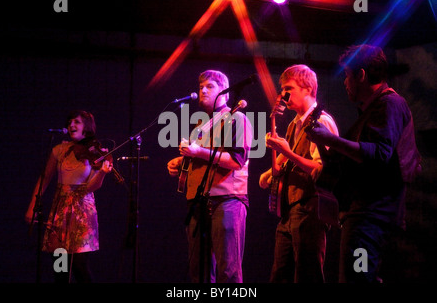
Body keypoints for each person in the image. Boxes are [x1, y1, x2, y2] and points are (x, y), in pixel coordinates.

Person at [306, 44, 421, 283]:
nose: (345, 82)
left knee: (356, 279)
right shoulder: (372, 112)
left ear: (361, 75)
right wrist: (320, 142)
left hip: (371, 218)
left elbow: (379, 154)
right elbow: (338, 165)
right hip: (364, 217)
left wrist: (331, 139)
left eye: (348, 75)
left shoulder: (390, 105)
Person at [167, 70, 252, 283]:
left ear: (224, 93)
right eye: (201, 86)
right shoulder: (201, 124)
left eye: (210, 86)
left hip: (227, 201)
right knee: (199, 271)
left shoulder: (236, 118)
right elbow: (204, 158)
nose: (202, 90)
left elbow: (235, 161)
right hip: (198, 202)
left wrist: (198, 153)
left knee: (227, 271)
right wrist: (181, 163)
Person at [259, 64, 339, 283]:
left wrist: (287, 153)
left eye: (289, 88)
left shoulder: (321, 121)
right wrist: (276, 159)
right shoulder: (295, 124)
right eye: (282, 89)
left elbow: (323, 168)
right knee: (279, 274)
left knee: (307, 274)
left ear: (307, 89)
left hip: (311, 208)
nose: (284, 95)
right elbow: (281, 167)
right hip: (291, 209)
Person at [25, 110, 113, 283]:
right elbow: (44, 180)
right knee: (60, 266)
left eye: (77, 122)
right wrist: (32, 207)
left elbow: (91, 187)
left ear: (86, 127)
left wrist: (102, 173)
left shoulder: (94, 151)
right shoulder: (59, 150)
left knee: (79, 265)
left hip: (82, 212)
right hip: (60, 210)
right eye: (70, 122)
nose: (71, 125)